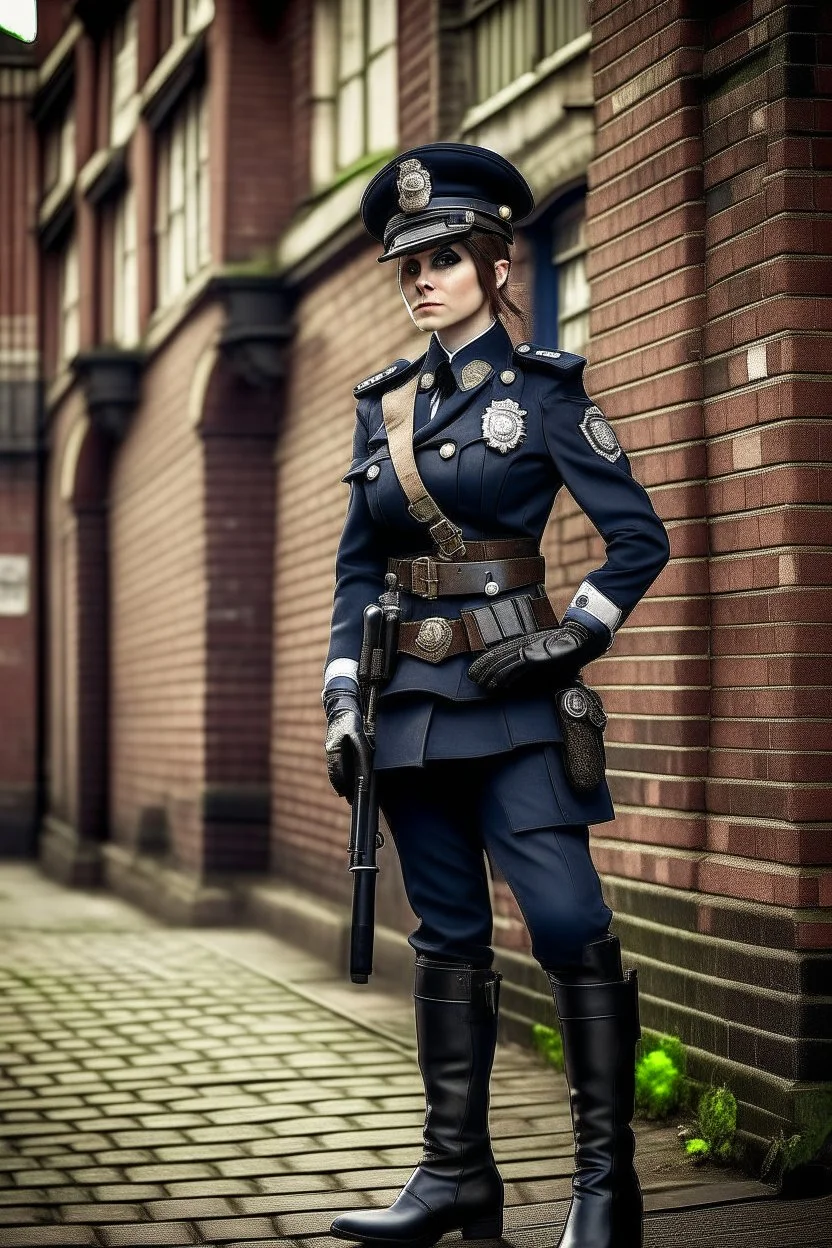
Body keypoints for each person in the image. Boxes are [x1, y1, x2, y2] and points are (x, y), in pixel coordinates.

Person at [322, 142, 670, 1248]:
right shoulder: (382, 410)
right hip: (411, 710)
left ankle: (606, 1190)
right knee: (447, 937)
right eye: (406, 264)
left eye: (442, 257)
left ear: (496, 259)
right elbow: (354, 571)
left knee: (568, 920)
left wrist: (570, 640)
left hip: (514, 695)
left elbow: (636, 540)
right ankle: (454, 1177)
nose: (421, 278)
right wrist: (342, 698)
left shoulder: (546, 396)